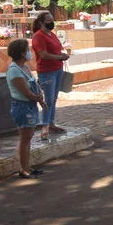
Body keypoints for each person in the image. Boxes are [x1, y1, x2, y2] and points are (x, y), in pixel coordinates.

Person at [6, 39, 45, 179]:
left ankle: (27, 166)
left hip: (30, 105)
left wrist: (39, 94)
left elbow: (34, 85)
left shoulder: (25, 68)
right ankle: (23, 168)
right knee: (25, 138)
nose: (30, 52)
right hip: (22, 106)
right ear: (21, 53)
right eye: (27, 50)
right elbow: (26, 93)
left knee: (28, 138)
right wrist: (39, 99)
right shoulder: (14, 71)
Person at [31, 12, 69, 140]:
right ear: (41, 22)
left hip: (57, 69)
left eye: (52, 20)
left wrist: (62, 55)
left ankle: (51, 123)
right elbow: (43, 54)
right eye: (48, 20)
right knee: (48, 100)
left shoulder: (52, 34)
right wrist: (60, 57)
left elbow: (56, 49)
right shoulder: (38, 36)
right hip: (47, 71)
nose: (51, 22)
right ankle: (45, 125)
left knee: (54, 98)